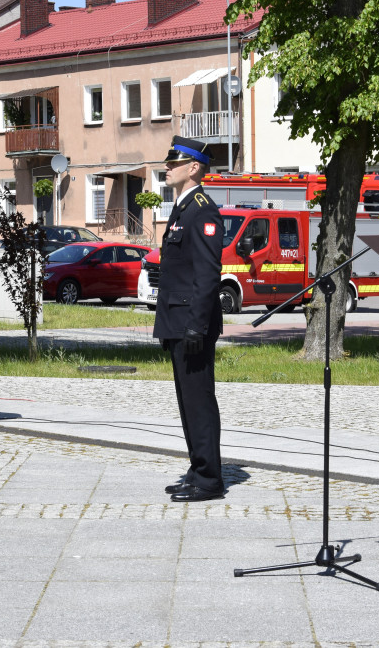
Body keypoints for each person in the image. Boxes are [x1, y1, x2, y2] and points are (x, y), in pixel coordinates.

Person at [153, 136, 225, 503]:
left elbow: (208, 274)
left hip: (191, 323)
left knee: (198, 400)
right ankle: (198, 468)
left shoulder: (202, 210)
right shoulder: (183, 209)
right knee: (187, 400)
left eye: (173, 163)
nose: (167, 167)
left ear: (193, 167)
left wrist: (197, 324)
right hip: (178, 319)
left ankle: (210, 478)